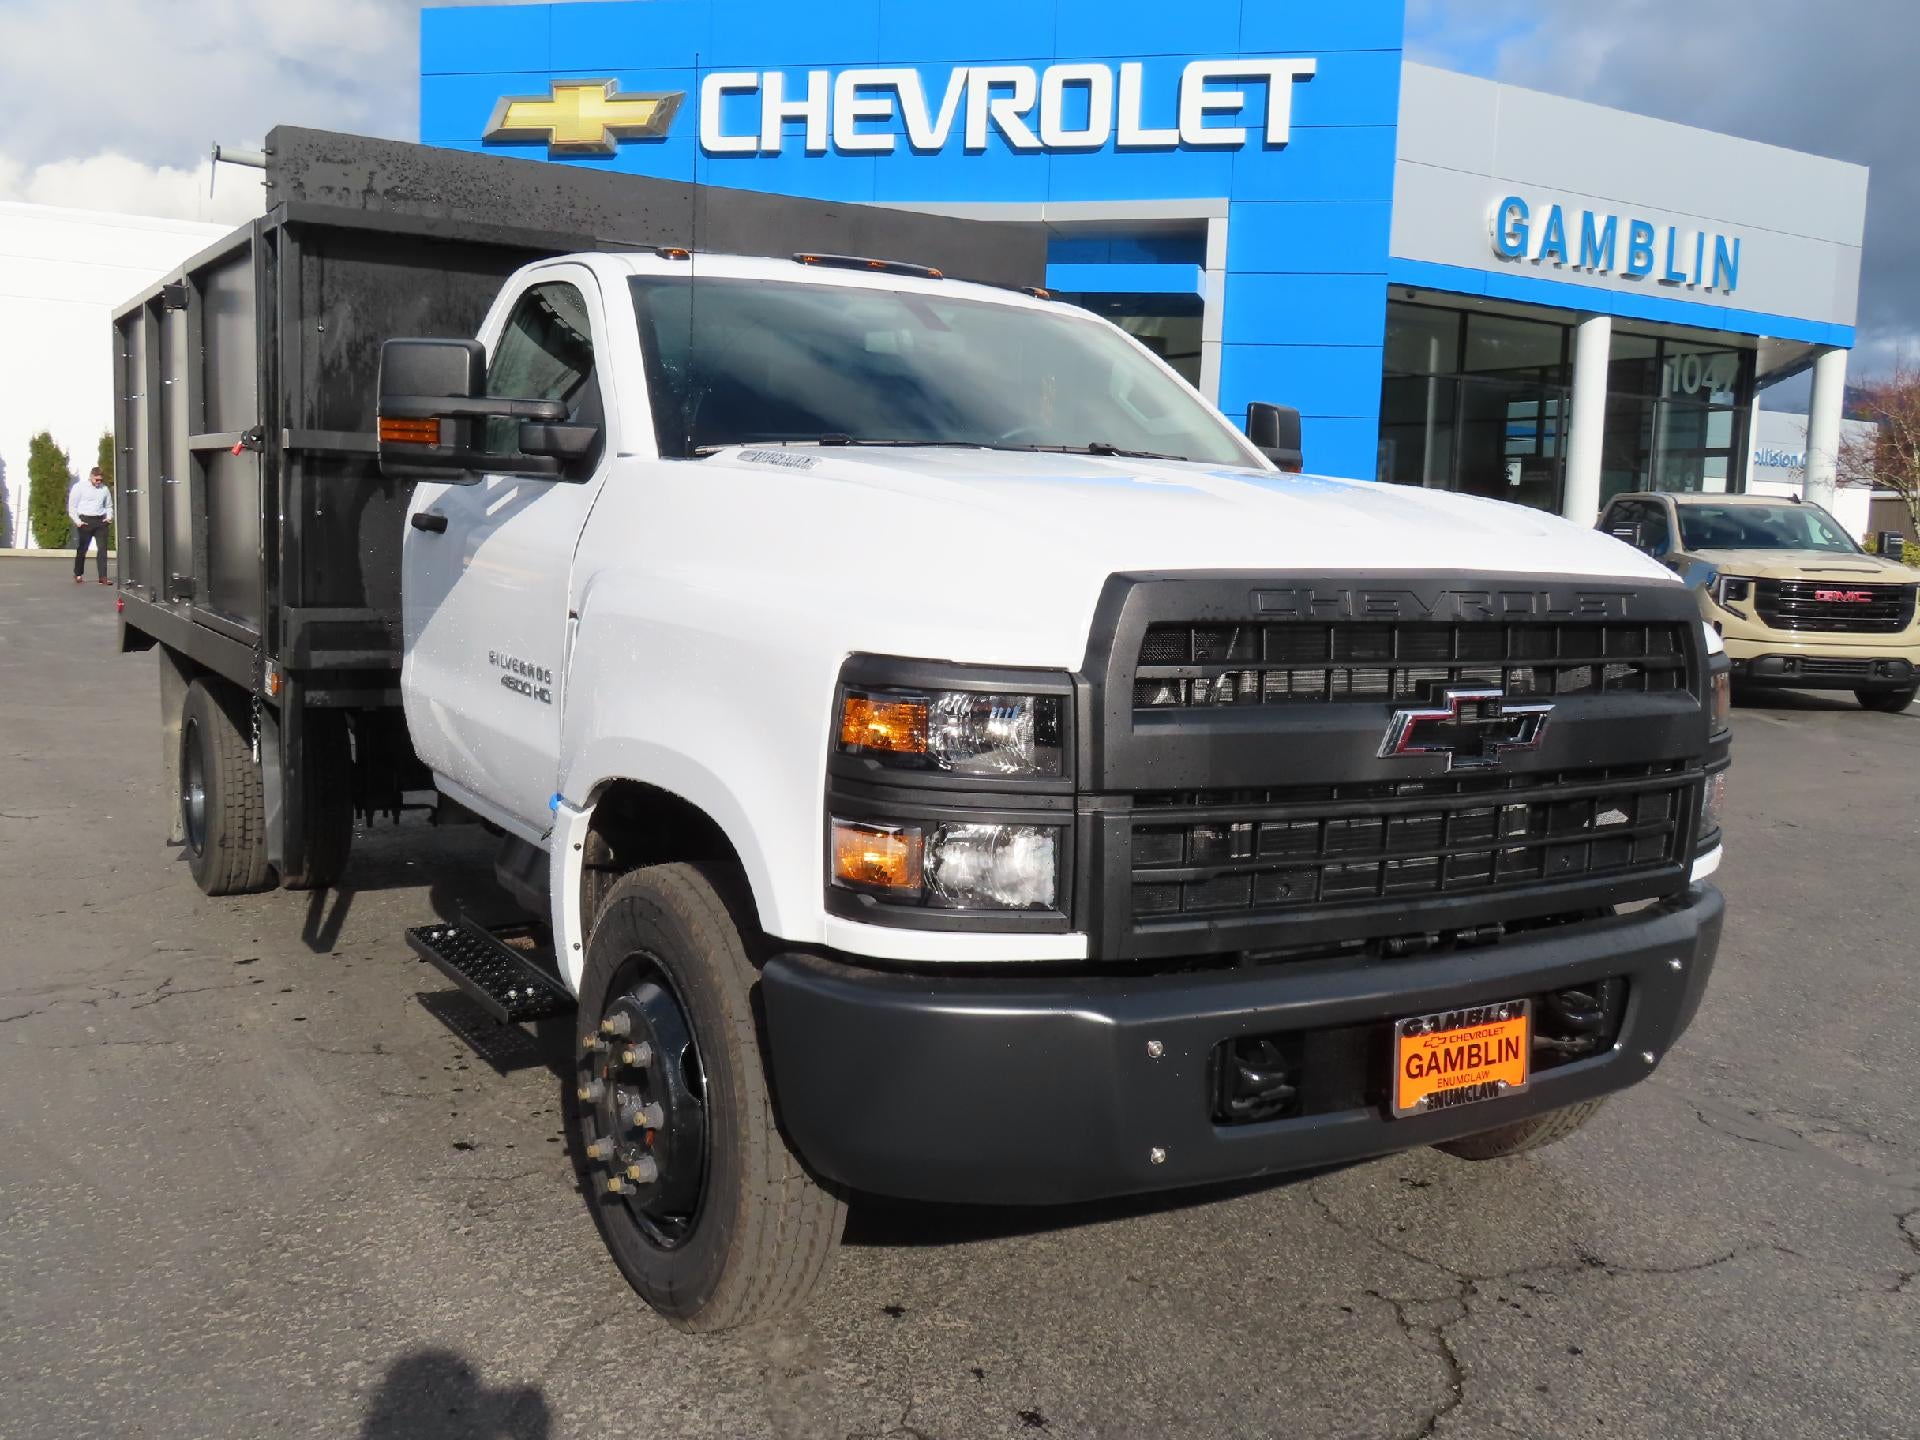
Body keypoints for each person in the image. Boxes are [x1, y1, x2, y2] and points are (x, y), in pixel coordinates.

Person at [68, 466, 113, 585]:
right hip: (85, 521)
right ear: (91, 477)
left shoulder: (104, 489)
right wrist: (78, 521)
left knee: (102, 549)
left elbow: (108, 505)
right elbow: (72, 506)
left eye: (100, 480)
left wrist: (109, 517)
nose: (99, 482)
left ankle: (103, 576)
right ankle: (78, 573)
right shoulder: (79, 487)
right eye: (96, 480)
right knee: (83, 548)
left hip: (100, 521)